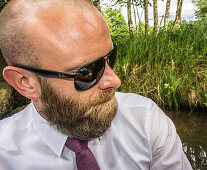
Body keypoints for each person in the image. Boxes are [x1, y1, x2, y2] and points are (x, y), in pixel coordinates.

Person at [0, 0, 192, 169]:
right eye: (87, 72)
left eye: (111, 57)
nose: (115, 81)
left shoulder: (146, 121)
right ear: (25, 83)